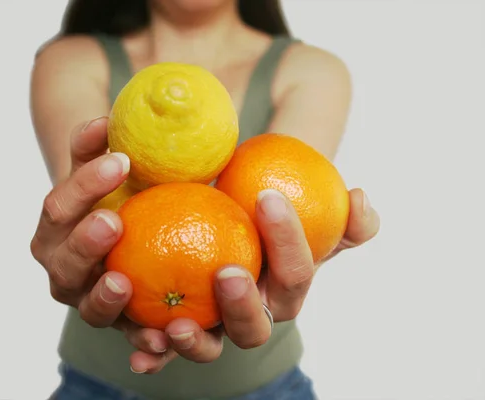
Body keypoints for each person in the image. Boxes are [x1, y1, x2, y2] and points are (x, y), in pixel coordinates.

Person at [29, 0, 381, 399]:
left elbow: (289, 214)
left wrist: (299, 251)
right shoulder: (70, 60)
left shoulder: (313, 70)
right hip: (94, 386)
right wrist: (74, 246)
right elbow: (88, 215)